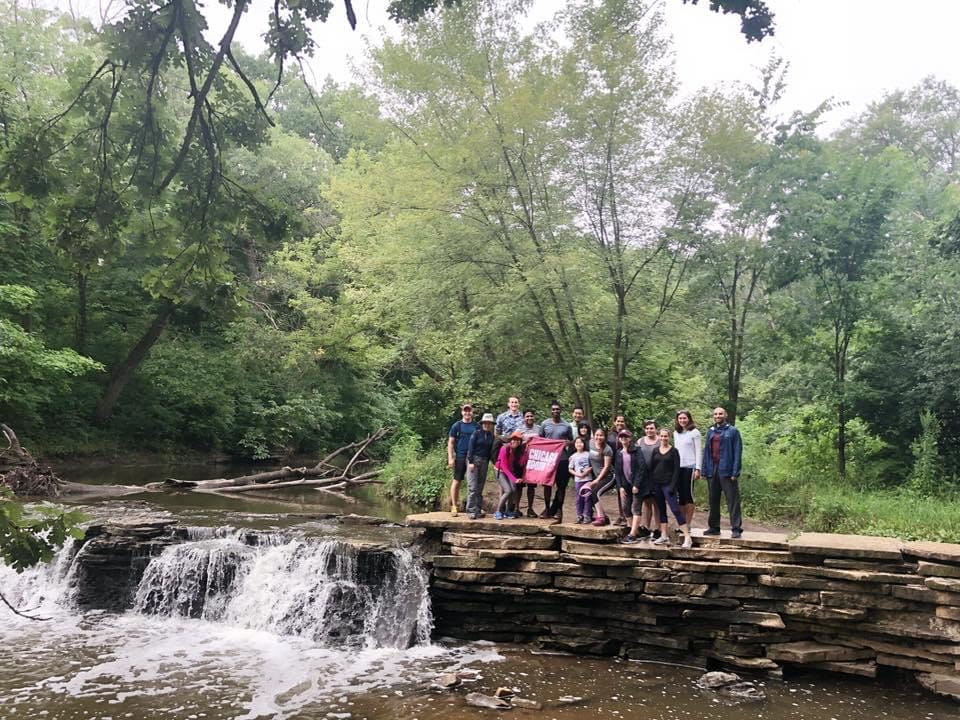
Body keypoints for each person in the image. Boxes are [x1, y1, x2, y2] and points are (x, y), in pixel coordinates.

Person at [702, 406, 744, 538]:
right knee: (713, 499)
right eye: (715, 414)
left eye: (720, 414)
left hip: (726, 469)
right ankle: (714, 527)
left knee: (732, 500)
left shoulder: (733, 431)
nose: (717, 416)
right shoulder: (711, 431)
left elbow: (738, 452)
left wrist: (735, 471)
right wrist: (705, 469)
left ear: (725, 415)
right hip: (712, 469)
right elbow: (706, 451)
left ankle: (736, 528)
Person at [648, 428, 693, 547]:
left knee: (675, 510)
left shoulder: (674, 451)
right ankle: (664, 536)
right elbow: (652, 469)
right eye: (661, 436)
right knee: (661, 510)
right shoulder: (655, 451)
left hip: (668, 484)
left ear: (669, 437)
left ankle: (687, 537)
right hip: (657, 484)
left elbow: (677, 470)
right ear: (659, 437)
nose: (663, 438)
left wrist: (672, 486)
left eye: (665, 436)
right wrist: (651, 484)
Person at [539, 402, 574, 520]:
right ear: (550, 411)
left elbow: (571, 440)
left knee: (561, 486)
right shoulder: (544, 424)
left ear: (561, 410)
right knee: (547, 485)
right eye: (553, 409)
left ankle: (559, 509)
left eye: (558, 409)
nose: (555, 411)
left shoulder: (566, 425)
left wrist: (567, 443)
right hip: (548, 459)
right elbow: (540, 439)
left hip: (562, 459)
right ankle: (547, 508)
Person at [616, 431, 652, 544]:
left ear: (630, 438)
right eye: (621, 437)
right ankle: (635, 530)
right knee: (625, 508)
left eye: (625, 436)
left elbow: (642, 468)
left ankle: (632, 535)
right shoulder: (618, 453)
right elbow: (617, 472)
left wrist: (636, 484)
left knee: (636, 508)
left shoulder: (637, 450)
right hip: (625, 484)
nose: (623, 438)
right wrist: (620, 487)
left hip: (639, 485)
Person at [447, 403, 478, 516]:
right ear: (462, 412)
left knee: (473, 483)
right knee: (457, 481)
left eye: (469, 411)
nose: (467, 413)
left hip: (472, 457)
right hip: (460, 456)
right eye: (465, 411)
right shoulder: (457, 425)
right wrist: (450, 458)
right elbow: (450, 442)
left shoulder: (476, 426)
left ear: (472, 412)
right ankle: (454, 506)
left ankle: (473, 507)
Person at [674, 410, 702, 532]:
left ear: (689, 419)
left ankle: (688, 523)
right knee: (680, 497)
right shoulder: (676, 433)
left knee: (688, 496)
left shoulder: (694, 432)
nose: (682, 420)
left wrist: (698, 468)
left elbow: (698, 451)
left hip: (690, 467)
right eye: (680, 418)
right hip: (677, 468)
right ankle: (682, 524)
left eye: (684, 418)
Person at [466, 413, 495, 520]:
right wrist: (470, 462)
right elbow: (470, 447)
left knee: (480, 487)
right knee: (472, 487)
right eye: (485, 423)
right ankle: (471, 510)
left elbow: (491, 451)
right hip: (474, 459)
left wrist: (495, 463)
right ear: (482, 423)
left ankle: (477, 509)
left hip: (485, 461)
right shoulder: (476, 433)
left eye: (489, 423)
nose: (487, 425)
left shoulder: (491, 436)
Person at [494, 431, 527, 520]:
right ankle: (498, 511)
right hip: (500, 471)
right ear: (510, 440)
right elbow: (504, 466)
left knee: (514, 489)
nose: (515, 442)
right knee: (508, 490)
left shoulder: (518, 450)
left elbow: (521, 463)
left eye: (518, 440)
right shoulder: (504, 448)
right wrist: (514, 479)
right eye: (513, 439)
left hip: (510, 471)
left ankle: (508, 511)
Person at [635, 420, 660, 538]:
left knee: (657, 503)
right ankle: (646, 527)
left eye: (652, 428)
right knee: (647, 503)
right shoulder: (640, 441)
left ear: (656, 429)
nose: (649, 430)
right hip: (644, 476)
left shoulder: (660, 440)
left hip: (657, 475)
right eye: (647, 428)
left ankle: (658, 528)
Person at [586, 427, 614, 525]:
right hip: (596, 476)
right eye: (597, 435)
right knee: (589, 494)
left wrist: (597, 480)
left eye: (601, 435)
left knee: (595, 493)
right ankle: (604, 517)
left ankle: (601, 518)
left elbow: (606, 467)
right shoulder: (590, 443)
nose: (599, 437)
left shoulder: (607, 449)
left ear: (605, 437)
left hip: (608, 477)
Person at [568, 436, 593, 523]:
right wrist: (577, 474)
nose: (579, 444)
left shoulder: (588, 454)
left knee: (587, 497)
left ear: (584, 444)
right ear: (574, 444)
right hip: (578, 480)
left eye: (581, 442)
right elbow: (570, 468)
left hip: (588, 479)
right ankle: (579, 515)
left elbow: (593, 465)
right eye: (577, 442)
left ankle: (587, 515)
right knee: (579, 498)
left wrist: (587, 471)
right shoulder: (573, 456)